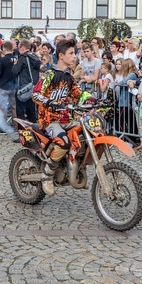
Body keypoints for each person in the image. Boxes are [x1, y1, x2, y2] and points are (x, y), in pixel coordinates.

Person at [31, 39, 90, 195]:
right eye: (71, 53)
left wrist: (93, 99)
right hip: (49, 120)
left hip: (65, 119)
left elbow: (79, 94)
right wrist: (49, 102)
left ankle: (76, 169)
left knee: (83, 136)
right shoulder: (50, 74)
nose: (74, 56)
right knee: (63, 142)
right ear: (61, 55)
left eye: (75, 53)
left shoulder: (69, 76)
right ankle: (47, 175)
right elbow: (36, 94)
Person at [13, 39, 40, 123]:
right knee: (31, 111)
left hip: (23, 87)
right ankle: (34, 131)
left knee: (20, 111)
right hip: (33, 86)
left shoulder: (23, 57)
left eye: (19, 47)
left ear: (23, 48)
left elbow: (15, 71)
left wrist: (14, 64)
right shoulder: (35, 57)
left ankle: (23, 132)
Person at [0, 41, 17, 129]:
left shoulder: (2, 60)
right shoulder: (16, 59)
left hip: (4, 86)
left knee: (2, 107)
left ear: (4, 49)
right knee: (14, 108)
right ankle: (16, 127)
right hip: (14, 86)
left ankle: (3, 126)